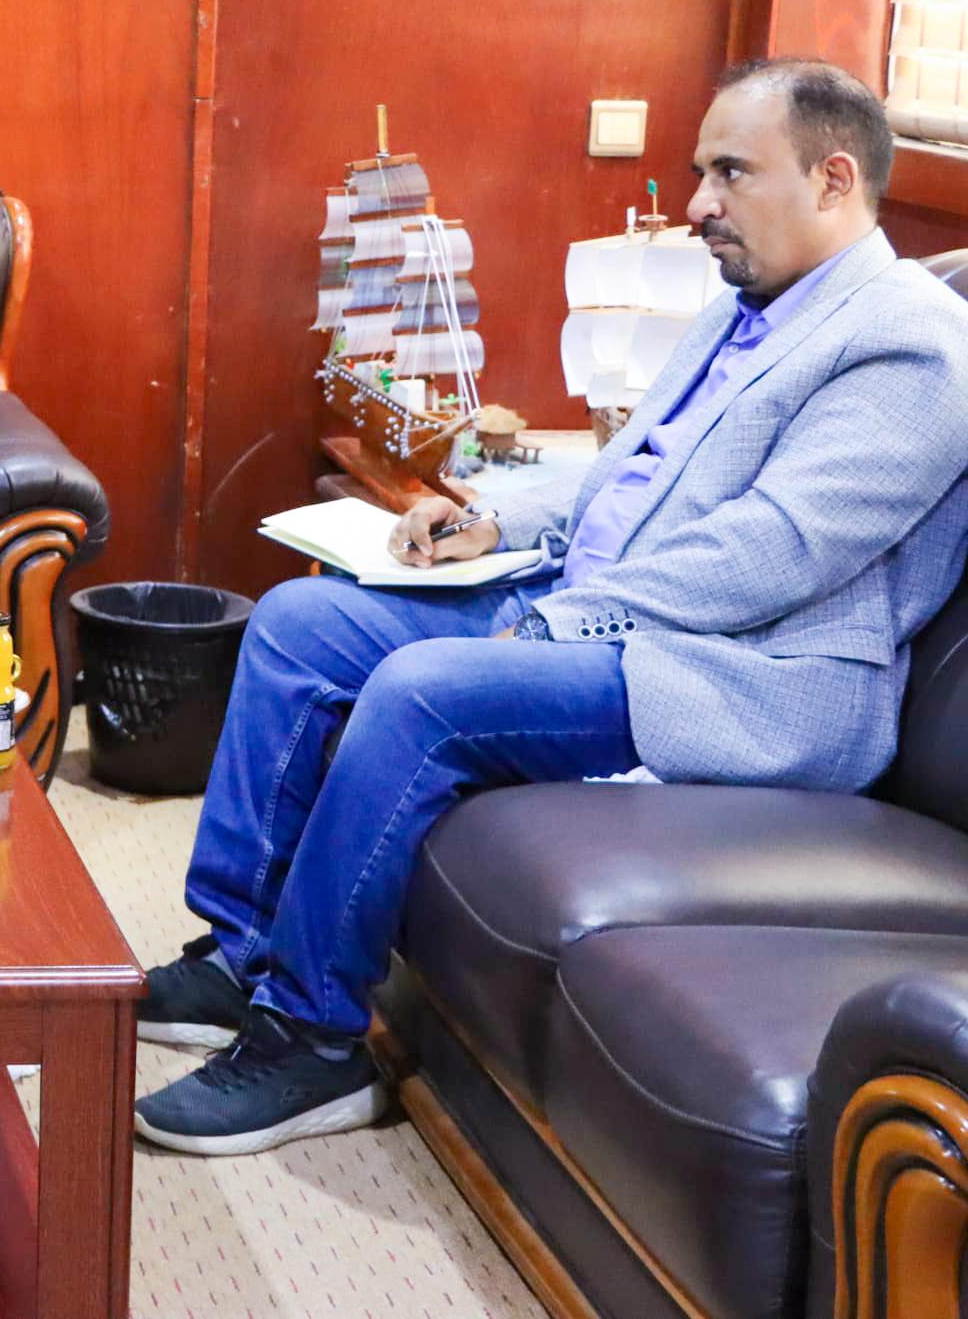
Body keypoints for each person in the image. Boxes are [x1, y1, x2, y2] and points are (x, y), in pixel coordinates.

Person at [135, 58, 968, 1157]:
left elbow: (774, 553)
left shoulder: (911, 343)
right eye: (700, 171)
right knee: (301, 623)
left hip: (742, 674)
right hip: (600, 608)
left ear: (833, 178)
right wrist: (488, 516)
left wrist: (560, 622)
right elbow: (624, 475)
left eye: (730, 172)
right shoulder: (747, 303)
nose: (698, 203)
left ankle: (311, 1040)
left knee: (426, 691)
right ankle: (239, 953)